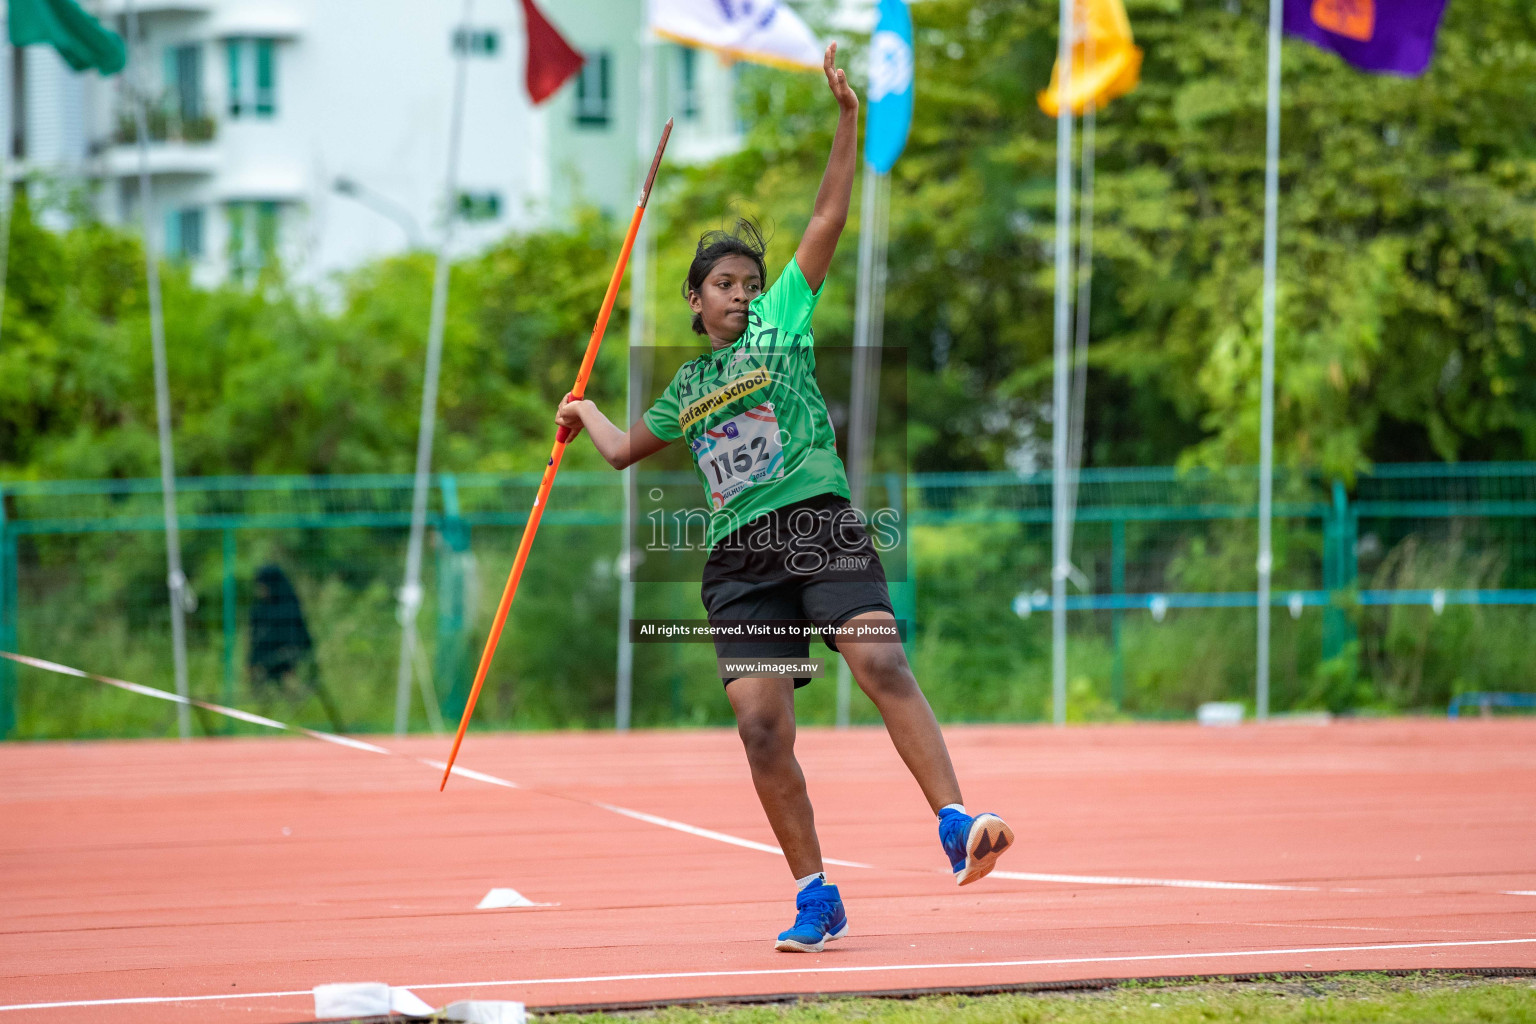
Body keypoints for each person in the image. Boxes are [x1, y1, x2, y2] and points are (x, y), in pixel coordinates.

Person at [555, 43, 1012, 953]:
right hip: (737, 560)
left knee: (879, 663)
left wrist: (847, 118)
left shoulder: (781, 323)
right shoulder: (687, 386)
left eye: (747, 284)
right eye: (723, 286)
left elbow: (828, 212)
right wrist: (583, 411)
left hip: (817, 521)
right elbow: (620, 454)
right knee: (761, 728)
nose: (739, 295)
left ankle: (956, 821)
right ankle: (816, 894)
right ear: (694, 301)